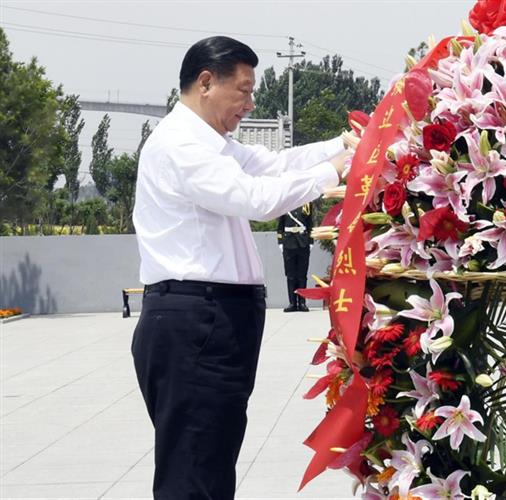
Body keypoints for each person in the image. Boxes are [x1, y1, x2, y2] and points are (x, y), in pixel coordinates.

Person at [130, 36, 350, 499]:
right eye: (244, 91)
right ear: (206, 83)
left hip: (213, 318)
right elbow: (257, 199)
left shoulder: (213, 144)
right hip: (195, 319)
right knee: (193, 471)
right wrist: (333, 170)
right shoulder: (181, 144)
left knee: (210, 460)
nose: (250, 104)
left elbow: (276, 164)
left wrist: (345, 145)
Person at [277, 203, 313, 312]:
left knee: (302, 275)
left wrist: (311, 241)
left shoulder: (306, 204)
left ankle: (302, 303)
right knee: (290, 275)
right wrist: (280, 242)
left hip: (303, 243)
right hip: (288, 242)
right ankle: (292, 303)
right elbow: (280, 225)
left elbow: (310, 223)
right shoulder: (285, 205)